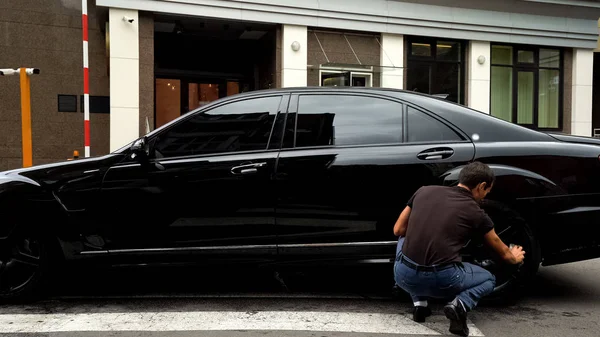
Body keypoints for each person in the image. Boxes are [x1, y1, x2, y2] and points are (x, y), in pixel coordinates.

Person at [393, 161, 525, 336]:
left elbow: (398, 230)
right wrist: (515, 256)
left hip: (403, 276)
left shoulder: (423, 191)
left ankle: (420, 305)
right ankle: (461, 304)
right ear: (482, 186)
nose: (484, 197)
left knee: (404, 240)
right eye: (486, 191)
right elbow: (504, 254)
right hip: (442, 281)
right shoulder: (476, 212)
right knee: (489, 279)